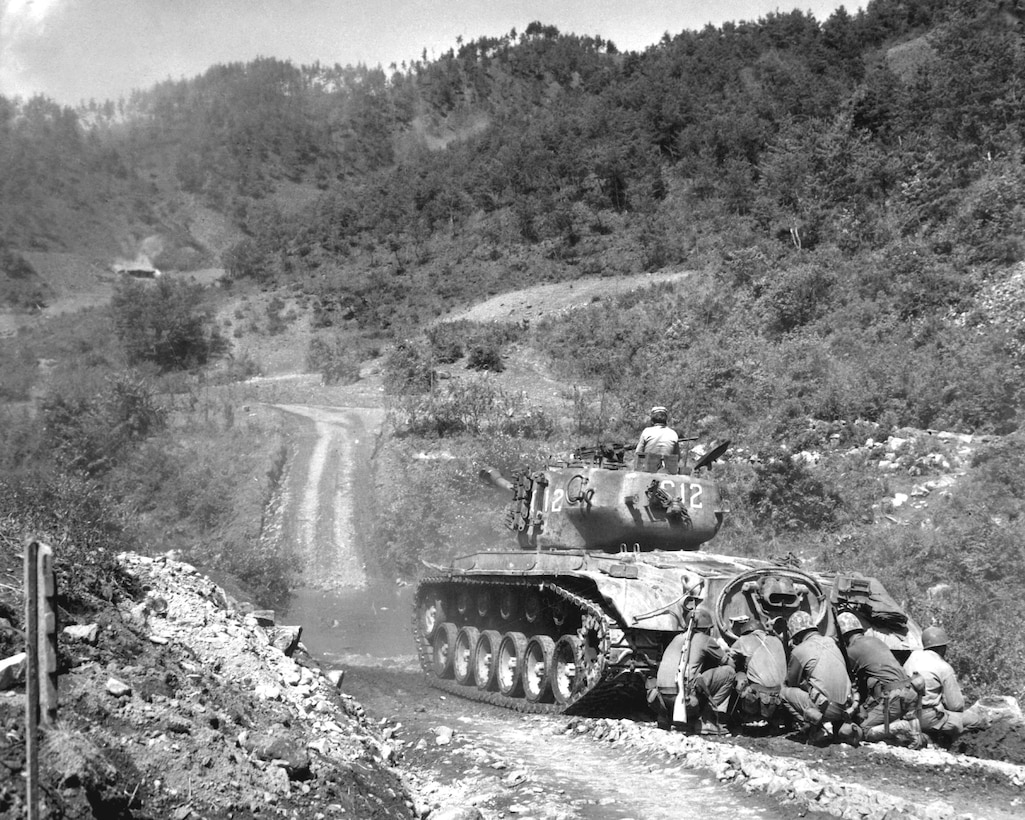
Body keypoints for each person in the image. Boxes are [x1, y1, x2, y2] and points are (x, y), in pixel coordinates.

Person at [836, 611, 921, 747]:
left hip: (895, 696)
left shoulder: (852, 651)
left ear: (843, 634)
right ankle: (909, 733)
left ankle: (904, 727)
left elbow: (845, 679)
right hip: (910, 691)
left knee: (863, 729)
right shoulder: (875, 641)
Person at [651, 607, 735, 734]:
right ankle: (707, 721)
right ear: (707, 628)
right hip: (685, 701)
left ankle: (670, 719)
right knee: (729, 673)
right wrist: (725, 650)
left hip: (661, 701)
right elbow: (730, 664)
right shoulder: (705, 639)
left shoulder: (677, 638)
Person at [780, 611, 858, 745]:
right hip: (847, 706)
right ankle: (841, 728)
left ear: (796, 634)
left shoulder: (799, 650)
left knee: (783, 692)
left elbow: (792, 682)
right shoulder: (831, 641)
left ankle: (815, 728)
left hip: (826, 709)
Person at [903, 625, 984, 742]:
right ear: (942, 648)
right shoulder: (943, 667)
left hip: (905, 713)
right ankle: (938, 741)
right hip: (926, 718)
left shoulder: (912, 657)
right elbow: (956, 705)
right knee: (975, 720)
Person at [725, 614, 787, 729]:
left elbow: (727, 660)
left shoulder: (743, 640)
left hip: (758, 698)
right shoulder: (776, 640)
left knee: (733, 675)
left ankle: (732, 720)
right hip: (782, 697)